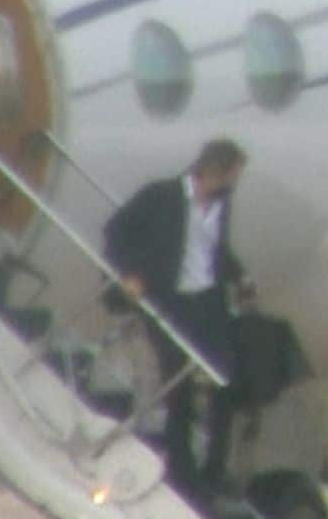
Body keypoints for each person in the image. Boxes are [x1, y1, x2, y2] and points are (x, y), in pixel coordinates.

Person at [103, 137, 249, 499]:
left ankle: (215, 466)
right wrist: (131, 273)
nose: (235, 182)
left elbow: (214, 250)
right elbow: (115, 231)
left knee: (226, 381)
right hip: (171, 300)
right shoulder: (162, 195)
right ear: (219, 170)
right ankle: (182, 467)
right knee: (177, 384)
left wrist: (240, 276)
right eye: (234, 174)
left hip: (208, 301)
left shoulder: (221, 204)